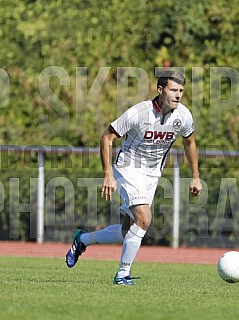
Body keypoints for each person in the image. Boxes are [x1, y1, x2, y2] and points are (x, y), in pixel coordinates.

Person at [65, 69, 203, 285]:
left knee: (127, 230)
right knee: (145, 218)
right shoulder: (140, 112)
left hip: (152, 174)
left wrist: (195, 176)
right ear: (160, 90)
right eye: (173, 90)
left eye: (181, 90)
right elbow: (106, 137)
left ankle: (82, 240)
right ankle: (122, 274)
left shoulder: (183, 115)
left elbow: (190, 142)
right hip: (127, 169)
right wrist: (108, 174)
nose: (178, 95)